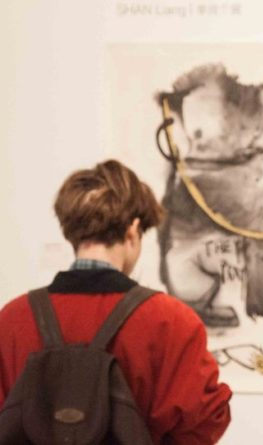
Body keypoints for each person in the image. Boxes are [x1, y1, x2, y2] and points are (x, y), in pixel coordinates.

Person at [0, 160, 232, 444]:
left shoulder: (13, 319)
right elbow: (204, 420)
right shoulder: (171, 321)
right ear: (133, 230)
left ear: (71, 231)